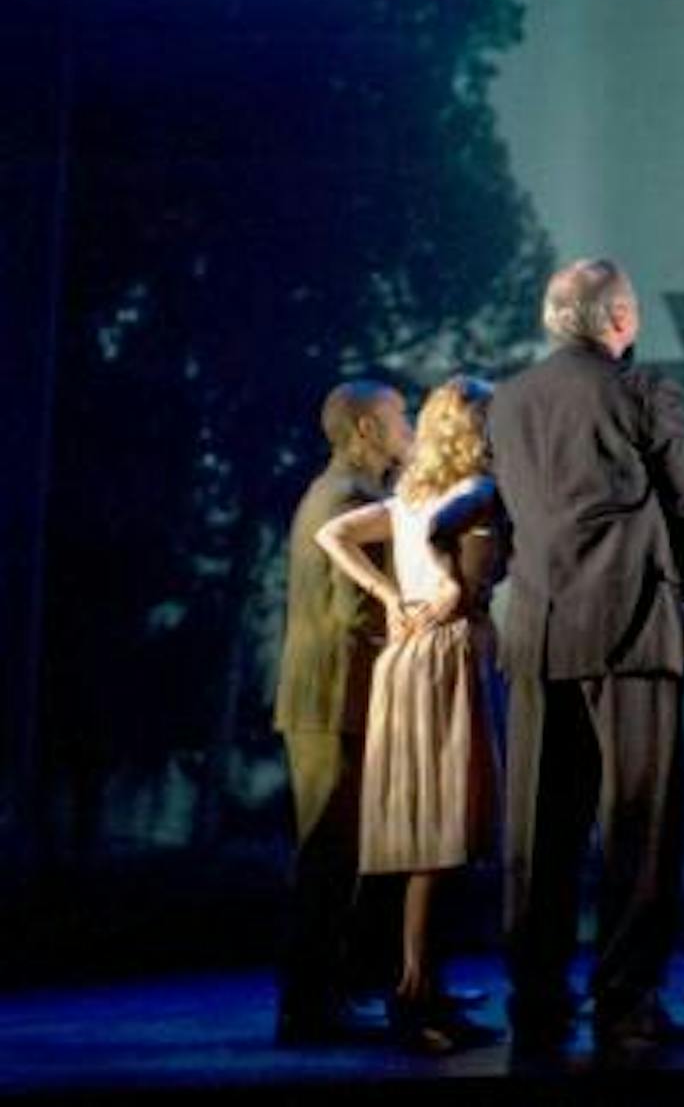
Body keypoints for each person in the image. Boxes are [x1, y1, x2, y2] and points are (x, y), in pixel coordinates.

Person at [489, 258, 684, 1057]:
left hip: (540, 627)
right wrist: (683, 583)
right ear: (619, 316)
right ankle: (626, 1002)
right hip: (629, 626)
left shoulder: (508, 401)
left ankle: (536, 998)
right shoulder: (643, 390)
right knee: (639, 824)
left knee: (540, 828)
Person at [316, 375, 504, 1054]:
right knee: (439, 834)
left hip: (409, 659)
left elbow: (335, 534)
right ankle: (416, 994)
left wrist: (389, 593)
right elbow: (438, 535)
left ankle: (424, 988)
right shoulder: (475, 491)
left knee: (430, 832)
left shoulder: (410, 494)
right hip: (445, 658)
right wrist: (445, 580)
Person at [272, 380, 409, 1045]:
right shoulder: (351, 500)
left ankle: (328, 995)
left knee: (333, 856)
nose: (406, 426)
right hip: (336, 698)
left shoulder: (337, 493)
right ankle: (310, 1005)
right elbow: (359, 616)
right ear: (364, 428)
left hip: (327, 698)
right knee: (327, 856)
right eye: (397, 417)